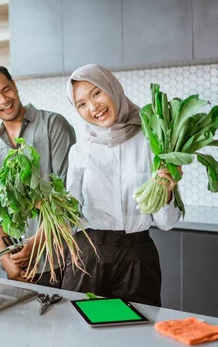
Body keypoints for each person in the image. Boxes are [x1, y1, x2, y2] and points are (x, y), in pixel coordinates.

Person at [62, 64, 182, 306]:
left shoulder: (152, 142)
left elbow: (167, 223)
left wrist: (168, 194)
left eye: (96, 93)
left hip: (137, 256)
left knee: (137, 333)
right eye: (81, 104)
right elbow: (70, 213)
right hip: (89, 255)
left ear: (112, 88)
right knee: (82, 334)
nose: (93, 107)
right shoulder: (79, 150)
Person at [0, 63, 76, 286]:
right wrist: (6, 261)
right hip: (18, 269)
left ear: (15, 86)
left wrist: (37, 243)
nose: (3, 100)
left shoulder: (53, 126)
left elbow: (68, 194)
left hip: (59, 262)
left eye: (6, 89)